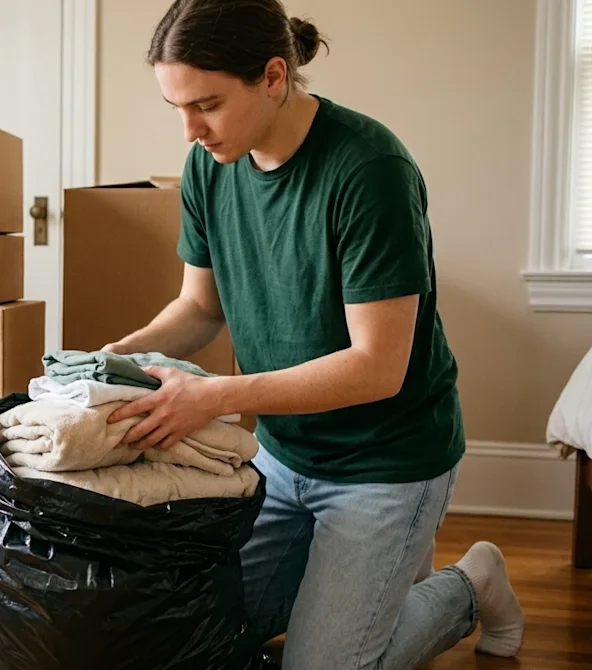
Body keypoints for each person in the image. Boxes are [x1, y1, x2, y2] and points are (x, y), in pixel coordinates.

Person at [103, 0, 525, 667]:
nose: (190, 131)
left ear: (274, 77)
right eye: (177, 108)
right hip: (284, 452)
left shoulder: (369, 170)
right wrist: (117, 355)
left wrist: (211, 397)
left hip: (387, 460)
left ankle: (472, 582)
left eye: (207, 104)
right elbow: (198, 307)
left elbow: (376, 368)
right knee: (198, 633)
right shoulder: (208, 169)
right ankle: (367, 589)